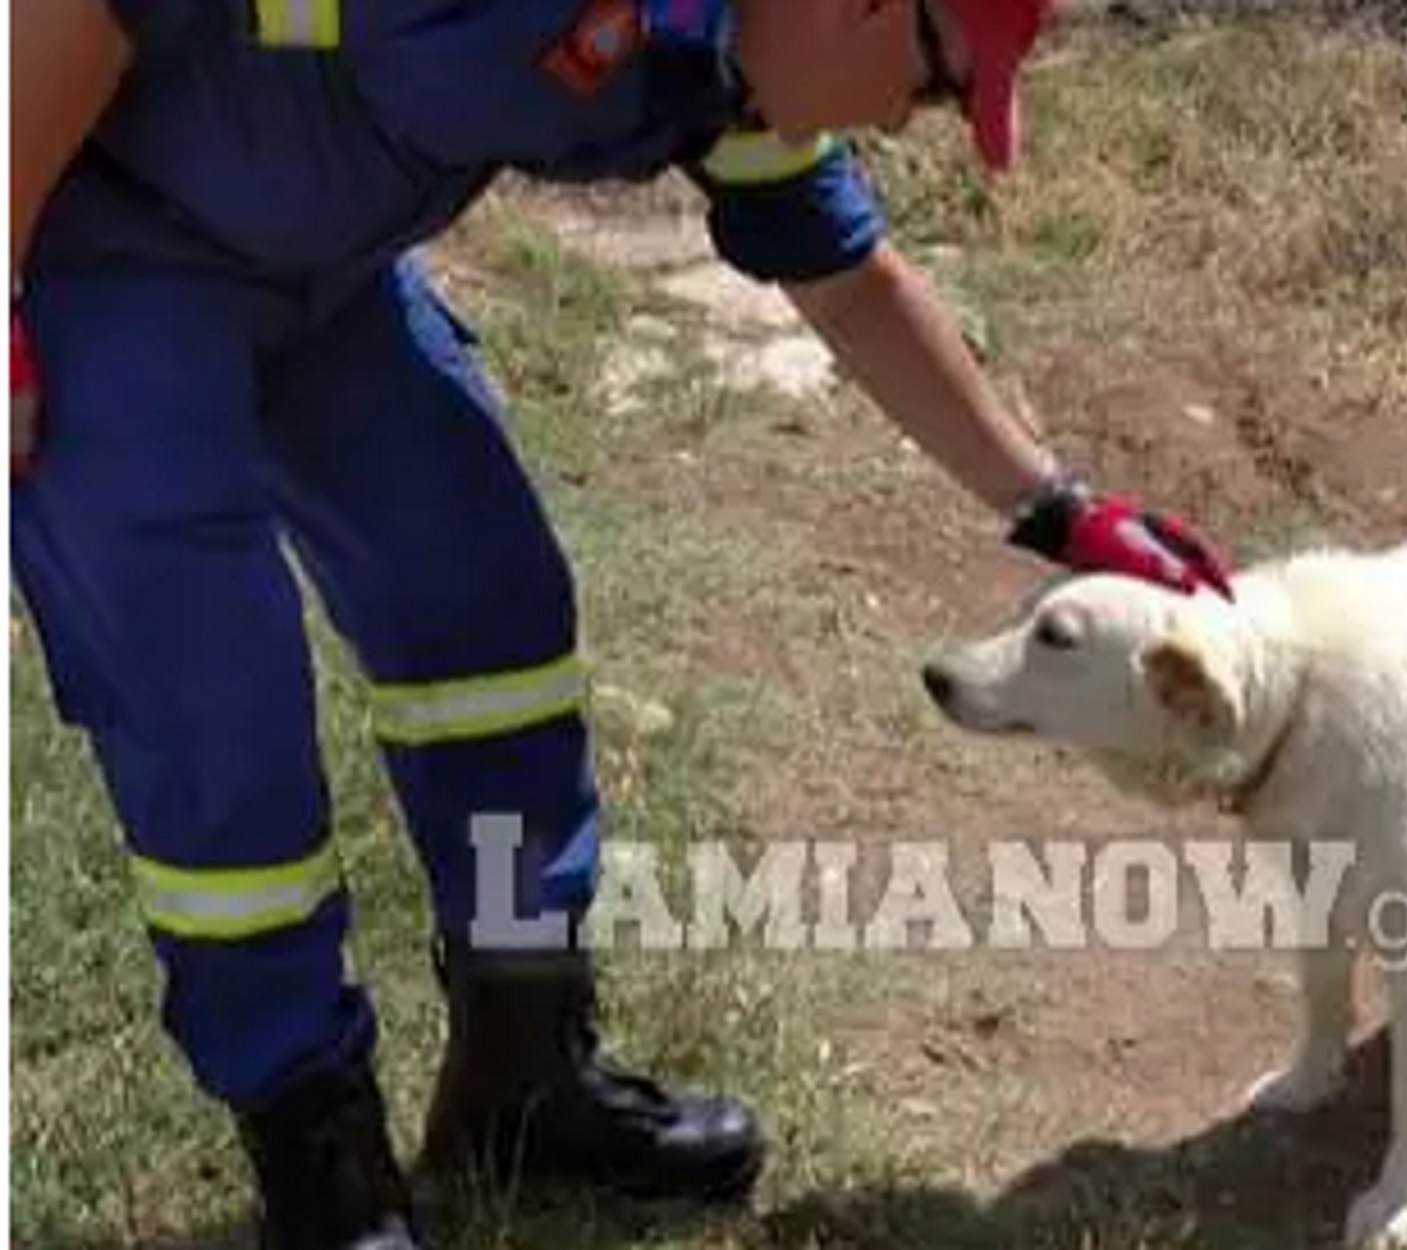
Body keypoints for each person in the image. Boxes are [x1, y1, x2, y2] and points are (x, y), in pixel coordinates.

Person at [10, 2, 1236, 1247]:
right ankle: (321, 1169)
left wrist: (1060, 512)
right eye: (928, 86)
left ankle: (520, 1073)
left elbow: (849, 275)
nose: (895, 124)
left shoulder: (716, 60)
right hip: (99, 259)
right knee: (215, 714)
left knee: (485, 605)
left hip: (316, 275)